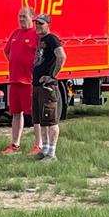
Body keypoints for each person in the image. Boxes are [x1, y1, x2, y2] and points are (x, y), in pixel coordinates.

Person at [2, 7, 42, 156]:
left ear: (32, 18)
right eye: (19, 17)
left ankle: (39, 144)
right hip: (15, 80)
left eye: (24, 17)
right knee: (15, 114)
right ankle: (15, 145)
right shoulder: (15, 34)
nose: (21, 19)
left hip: (29, 81)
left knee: (34, 114)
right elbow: (7, 51)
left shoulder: (36, 35)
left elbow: (42, 56)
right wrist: (15, 62)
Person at [31, 13, 67, 162]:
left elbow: (62, 56)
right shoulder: (41, 40)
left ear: (47, 24)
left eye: (41, 23)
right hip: (38, 85)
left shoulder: (52, 39)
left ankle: (52, 153)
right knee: (41, 120)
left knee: (51, 120)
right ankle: (44, 149)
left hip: (48, 86)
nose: (38, 26)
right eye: (37, 23)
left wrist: (52, 75)